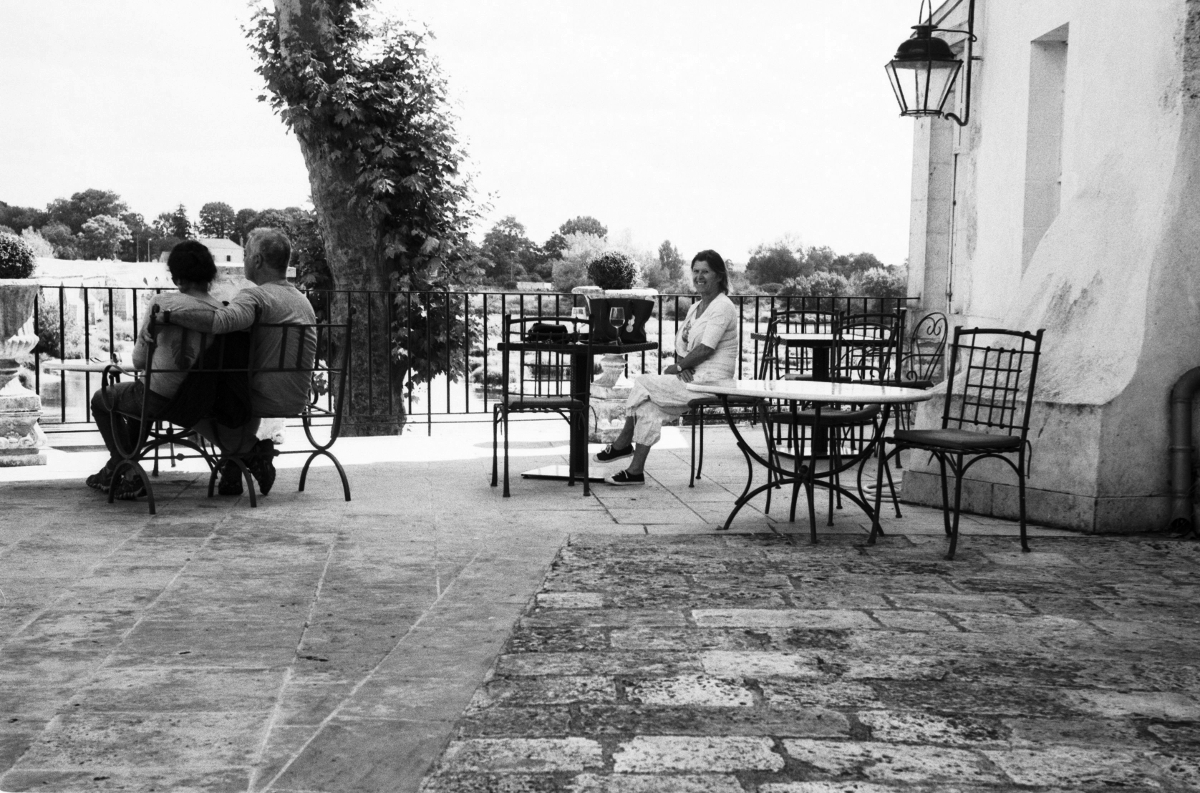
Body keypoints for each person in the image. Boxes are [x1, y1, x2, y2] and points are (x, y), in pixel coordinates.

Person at [166, 227, 317, 495]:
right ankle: (233, 468)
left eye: (246, 254)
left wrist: (170, 316)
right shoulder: (302, 301)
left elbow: (221, 321)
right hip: (297, 397)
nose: (244, 259)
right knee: (230, 367)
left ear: (257, 260)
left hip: (261, 397)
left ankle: (250, 451)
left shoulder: (256, 296)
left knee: (184, 401)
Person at [87, 241, 223, 499]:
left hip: (158, 399)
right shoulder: (222, 311)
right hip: (201, 401)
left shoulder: (162, 303)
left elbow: (139, 360)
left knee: (101, 399)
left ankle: (124, 467)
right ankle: (117, 469)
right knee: (139, 400)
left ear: (178, 277)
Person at [593, 249, 740, 485]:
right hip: (692, 380)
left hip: (713, 383)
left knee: (642, 382)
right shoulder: (695, 307)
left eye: (705, 272)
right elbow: (683, 345)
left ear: (719, 275)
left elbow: (706, 348)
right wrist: (684, 365)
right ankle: (635, 472)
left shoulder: (723, 306)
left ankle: (622, 443)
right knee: (648, 408)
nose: (699, 276)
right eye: (695, 271)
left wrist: (679, 366)